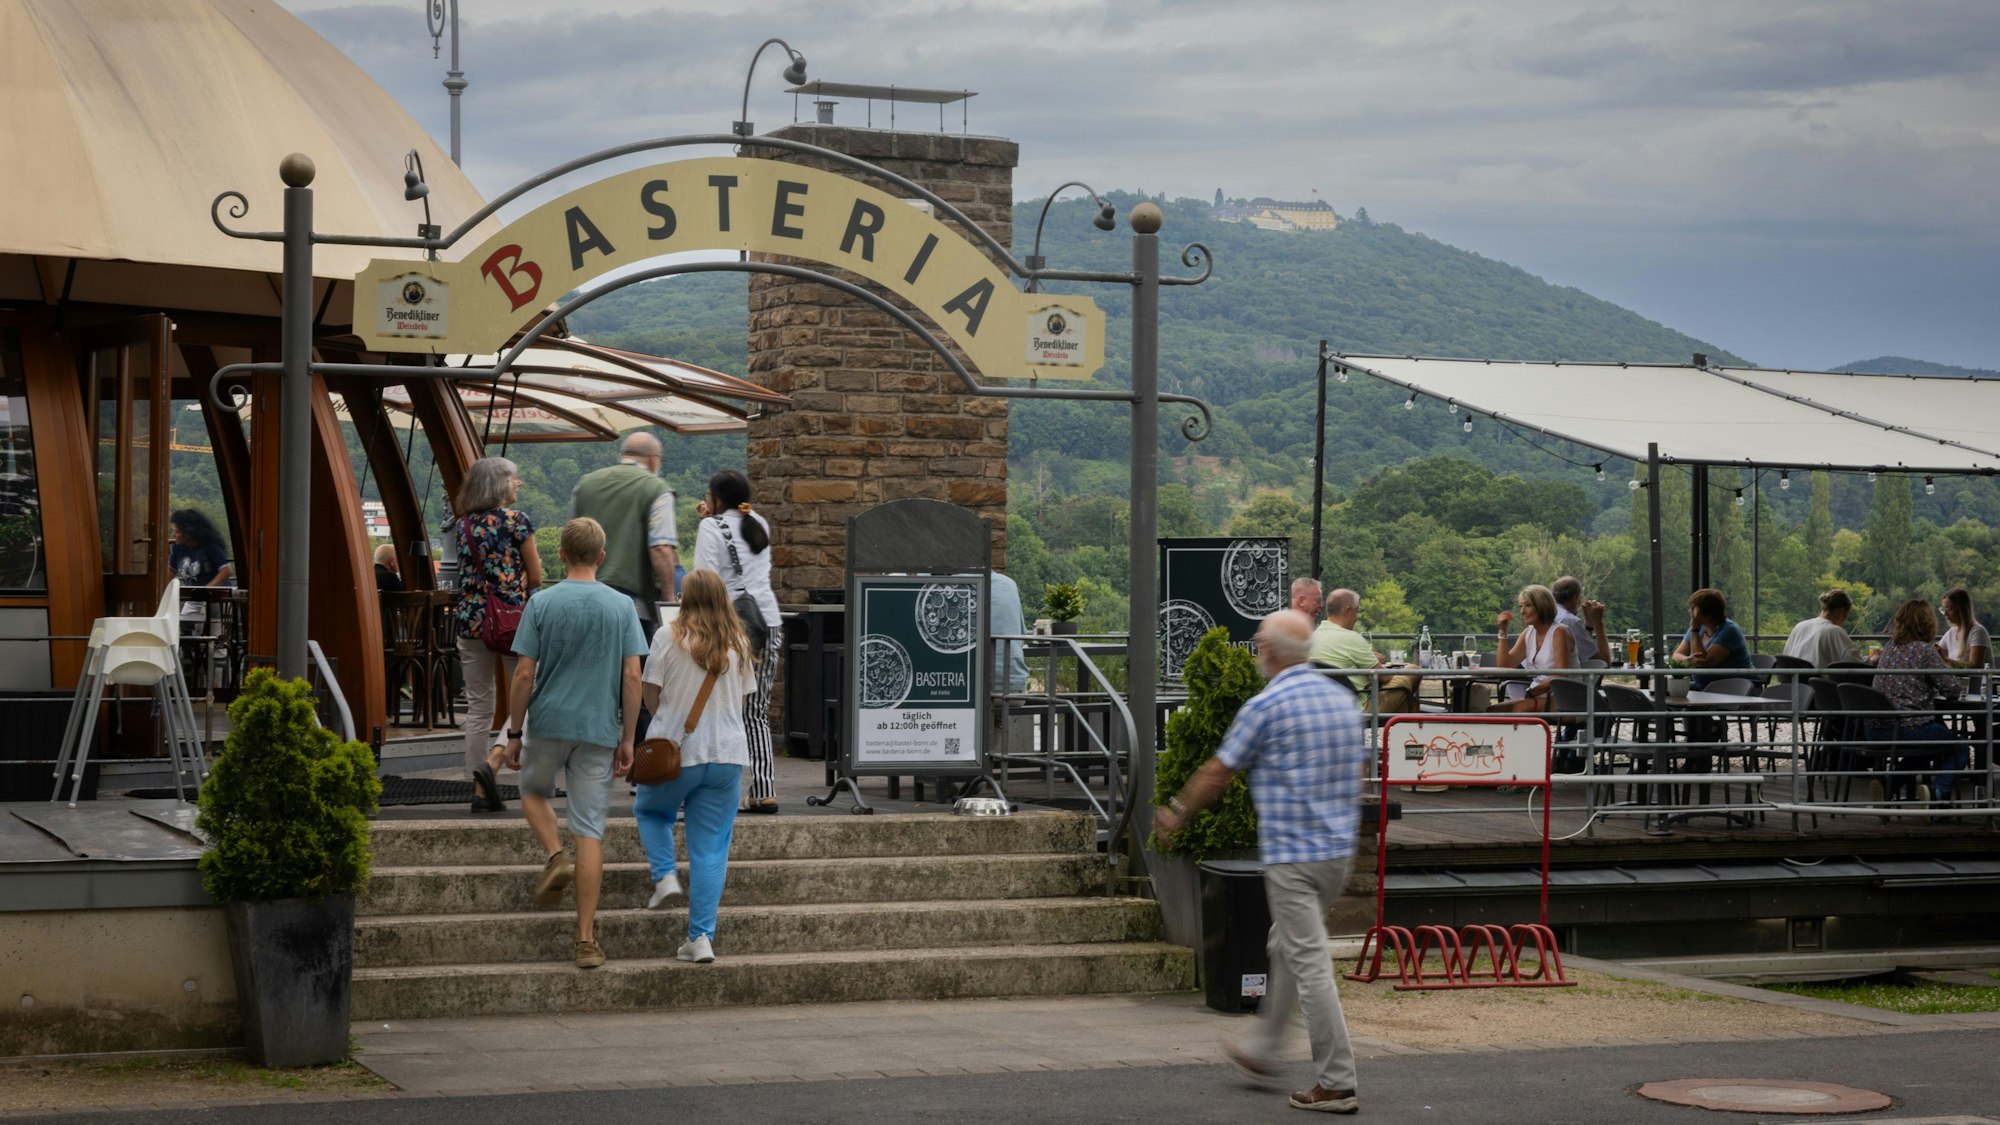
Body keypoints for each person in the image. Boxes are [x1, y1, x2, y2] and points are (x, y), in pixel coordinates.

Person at [1153, 610, 1365, 1115]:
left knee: (1308, 960)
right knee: (1286, 945)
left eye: (1257, 643)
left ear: (1269, 652)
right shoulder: (1340, 698)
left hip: (1292, 853)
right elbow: (1359, 772)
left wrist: (1177, 810)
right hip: (1337, 851)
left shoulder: (1266, 705)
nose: (1255, 651)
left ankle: (1337, 1081)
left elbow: (1218, 772)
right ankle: (1265, 1051)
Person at [500, 518, 648, 970]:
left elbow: (524, 673)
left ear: (561, 554)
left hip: (548, 723)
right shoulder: (622, 606)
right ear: (600, 558)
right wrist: (628, 737)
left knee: (531, 791)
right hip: (598, 728)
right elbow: (632, 675)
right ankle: (585, 940)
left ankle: (554, 854)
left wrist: (514, 733)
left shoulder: (541, 602)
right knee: (590, 830)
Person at [633, 569, 754, 965]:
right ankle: (700, 938)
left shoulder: (668, 636)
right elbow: (742, 702)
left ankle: (665, 876)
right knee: (711, 849)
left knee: (651, 810)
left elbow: (651, 694)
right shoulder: (738, 642)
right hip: (727, 757)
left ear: (684, 597)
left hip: (678, 753)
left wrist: (668, 718)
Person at [450, 456, 542, 814]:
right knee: (530, 695)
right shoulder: (518, 522)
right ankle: (494, 762)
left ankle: (475, 783)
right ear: (501, 484)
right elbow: (535, 577)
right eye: (515, 478)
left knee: (478, 707)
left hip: (471, 621)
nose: (519, 483)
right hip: (510, 622)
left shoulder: (464, 525)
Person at [693, 470, 782, 814]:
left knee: (711, 706)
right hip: (767, 622)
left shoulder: (710, 528)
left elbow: (706, 579)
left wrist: (708, 523)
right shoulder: (758, 521)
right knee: (755, 711)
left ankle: (710, 790)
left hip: (728, 626)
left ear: (717, 498)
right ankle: (764, 790)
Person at [571, 432, 679, 638]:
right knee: (633, 669)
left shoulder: (585, 484)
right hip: (634, 608)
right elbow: (661, 548)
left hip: (583, 600)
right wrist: (668, 602)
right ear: (655, 458)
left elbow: (571, 539)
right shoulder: (657, 489)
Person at [1873, 598, 1969, 804]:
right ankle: (1937, 794)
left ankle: (1887, 786)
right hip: (1908, 727)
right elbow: (1952, 689)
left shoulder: (1889, 648)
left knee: (1927, 749)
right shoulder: (1924, 651)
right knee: (1960, 747)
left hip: (1875, 728)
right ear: (1927, 624)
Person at [1310, 587, 1422, 713]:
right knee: (1413, 670)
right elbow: (1385, 678)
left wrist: (1369, 660)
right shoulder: (1351, 638)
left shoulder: (1312, 637)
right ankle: (1412, 724)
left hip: (1325, 705)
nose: (1357, 618)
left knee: (1404, 700)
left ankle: (1404, 722)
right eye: (1356, 612)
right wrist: (1376, 662)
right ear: (1348, 610)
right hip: (1358, 707)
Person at [1491, 584, 1573, 713]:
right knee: (1492, 711)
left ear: (1542, 607)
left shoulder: (1559, 632)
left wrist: (1532, 692)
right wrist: (1503, 631)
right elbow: (1505, 666)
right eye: (1521, 606)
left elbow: (1560, 675)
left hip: (1565, 698)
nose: (1522, 611)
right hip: (1538, 696)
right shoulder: (1529, 632)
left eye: (1528, 605)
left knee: (1521, 708)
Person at [1672, 588, 1756, 689]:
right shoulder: (1700, 628)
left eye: (1694, 608)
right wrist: (1688, 660)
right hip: (1705, 686)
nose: (1689, 611)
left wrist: (1694, 630)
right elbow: (1676, 655)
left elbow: (1703, 663)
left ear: (1708, 615)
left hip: (1735, 689)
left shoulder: (1729, 631)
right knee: (1664, 690)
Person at [1782, 589, 1861, 667]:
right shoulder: (1834, 631)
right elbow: (1853, 660)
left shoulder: (1800, 626)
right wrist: (1871, 659)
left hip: (1794, 678)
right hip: (1818, 679)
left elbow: (1786, 655)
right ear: (1842, 610)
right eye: (1847, 614)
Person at [168, 508, 233, 591]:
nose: (173, 534)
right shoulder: (177, 547)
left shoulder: (210, 546)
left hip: (214, 597)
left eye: (176, 532)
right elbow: (171, 571)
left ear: (188, 533)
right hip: (193, 598)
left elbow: (226, 570)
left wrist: (205, 590)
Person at [1550, 576, 1608, 666]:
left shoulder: (1548, 614)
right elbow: (1604, 662)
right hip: (1565, 679)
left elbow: (1583, 651)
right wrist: (1598, 623)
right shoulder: (1570, 621)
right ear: (1575, 598)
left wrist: (1589, 623)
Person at [1938, 587, 1991, 670]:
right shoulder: (1952, 632)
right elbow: (1938, 653)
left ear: (1962, 609)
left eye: (1949, 609)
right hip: (1958, 681)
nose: (1945, 614)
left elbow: (1975, 667)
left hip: (1975, 683)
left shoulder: (1977, 632)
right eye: (1943, 609)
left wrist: (1946, 660)